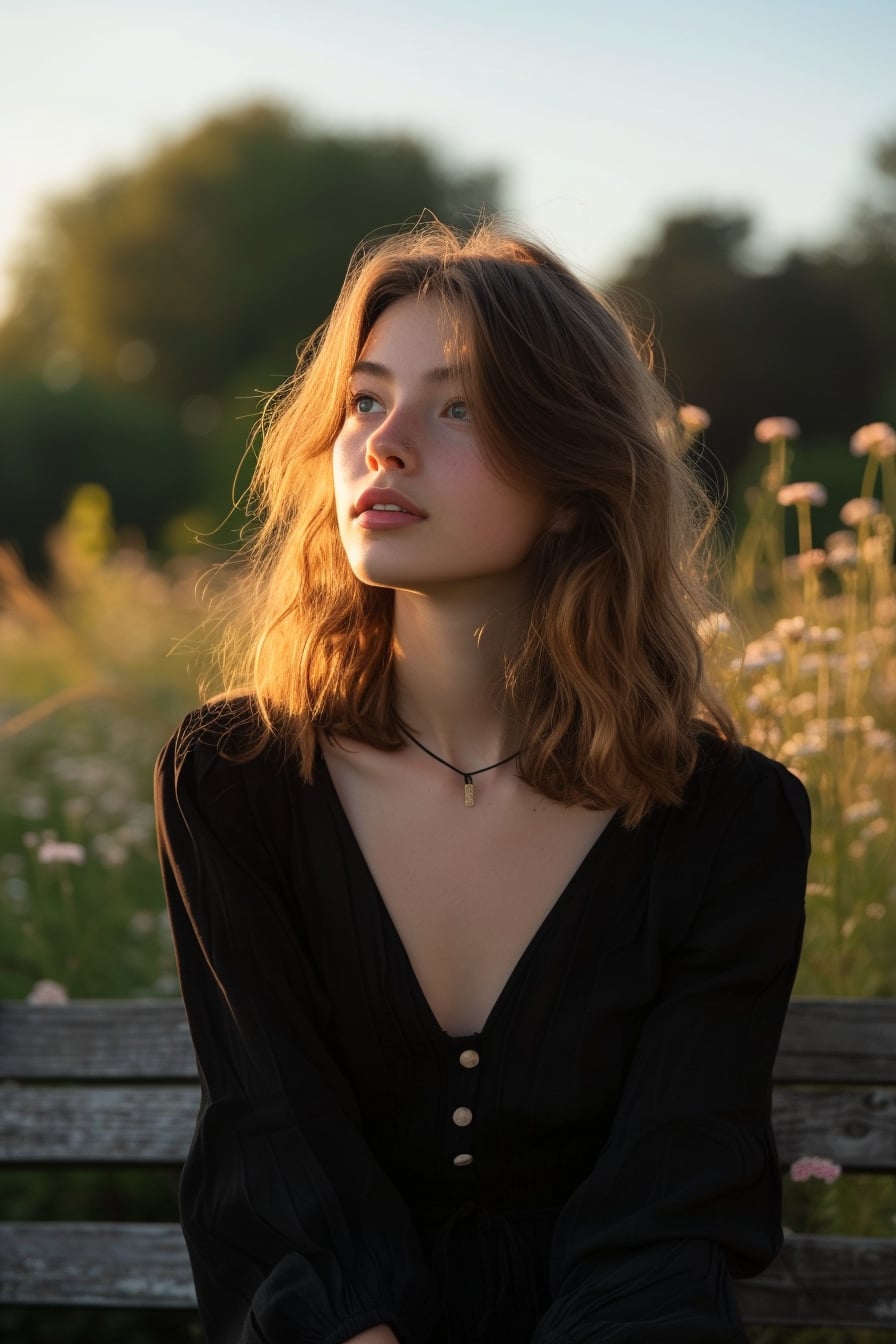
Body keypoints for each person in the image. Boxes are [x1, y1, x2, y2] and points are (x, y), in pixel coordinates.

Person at [155, 219, 810, 1344]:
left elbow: (669, 1198)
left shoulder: (728, 819)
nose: (386, 445)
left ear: (570, 483)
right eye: (363, 401)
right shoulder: (236, 781)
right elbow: (278, 1144)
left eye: (455, 408)